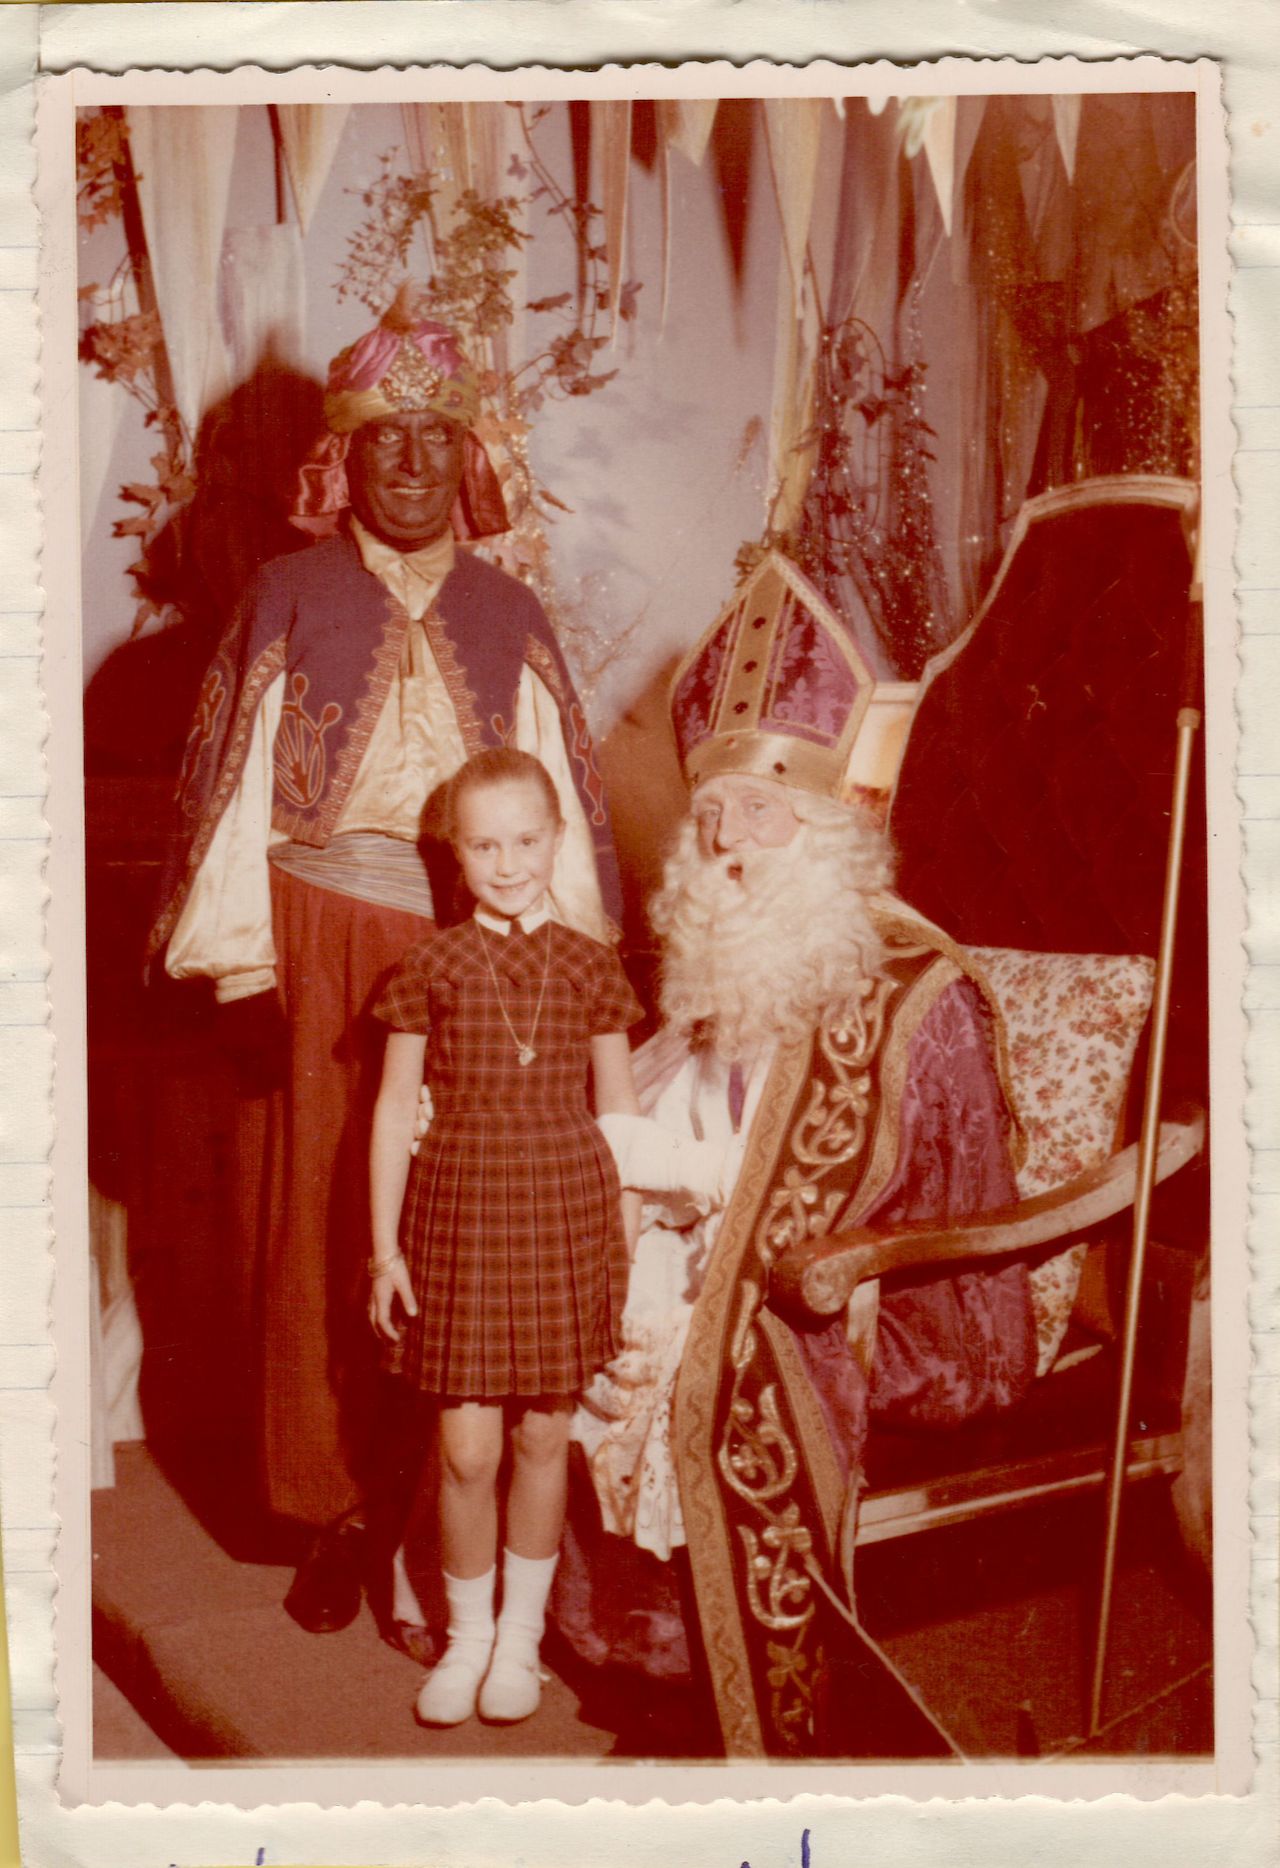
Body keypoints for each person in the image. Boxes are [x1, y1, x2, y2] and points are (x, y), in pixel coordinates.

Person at [148, 289, 623, 1633]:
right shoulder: (287, 595)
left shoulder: (507, 608)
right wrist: (244, 962)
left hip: (474, 941)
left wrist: (572, 970)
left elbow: (562, 812)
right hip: (314, 935)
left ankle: (433, 1523)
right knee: (316, 1224)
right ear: (340, 462)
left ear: (467, 458)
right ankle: (330, 1508)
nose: (410, 465)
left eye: (433, 439)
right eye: (383, 442)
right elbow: (233, 789)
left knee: (463, 1232)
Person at [552, 554, 1039, 1759]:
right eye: (710, 813)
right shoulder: (727, 951)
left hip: (876, 1283)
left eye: (758, 814)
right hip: (714, 1226)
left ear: (825, 828)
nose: (722, 844)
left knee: (713, 1352)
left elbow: (931, 1187)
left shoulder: (916, 991)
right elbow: (687, 1111)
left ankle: (701, 1674)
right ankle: (609, 1635)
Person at [368, 749, 642, 1725]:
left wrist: (623, 1247)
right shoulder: (429, 964)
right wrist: (384, 1248)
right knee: (468, 1450)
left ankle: (519, 1640)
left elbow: (618, 1117)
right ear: (456, 854)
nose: (507, 860)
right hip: (458, 1216)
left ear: (555, 840)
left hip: (565, 1211)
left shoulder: (587, 962)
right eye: (484, 844)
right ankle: (466, 1636)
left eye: (525, 839)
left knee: (539, 1434)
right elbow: (395, 1105)